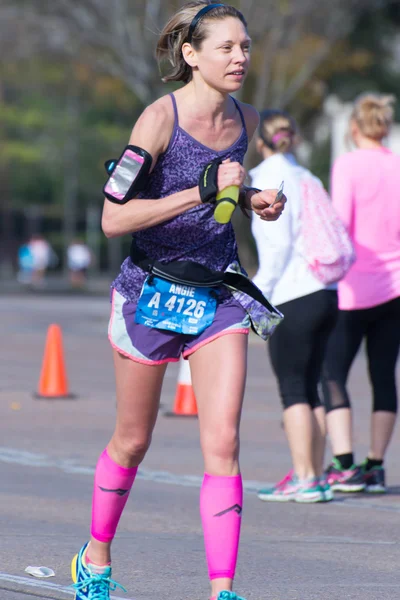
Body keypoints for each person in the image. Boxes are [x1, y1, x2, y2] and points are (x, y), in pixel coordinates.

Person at [70, 3, 286, 600]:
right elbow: (115, 219)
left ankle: (222, 590)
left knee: (224, 443)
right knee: (133, 441)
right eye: (227, 48)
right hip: (151, 290)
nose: (241, 57)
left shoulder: (248, 116)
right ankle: (96, 558)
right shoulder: (157, 121)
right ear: (192, 55)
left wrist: (254, 200)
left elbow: (230, 187)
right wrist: (200, 189)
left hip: (217, 292)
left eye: (246, 46)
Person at [250, 109, 339, 504]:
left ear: (260, 141)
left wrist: (255, 296)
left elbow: (277, 245)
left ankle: (304, 476)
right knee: (312, 389)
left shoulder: (264, 178)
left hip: (292, 293)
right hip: (326, 291)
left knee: (293, 390)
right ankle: (315, 476)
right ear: (293, 139)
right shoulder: (308, 176)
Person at [322, 93, 400, 494]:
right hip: (395, 288)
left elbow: (340, 226)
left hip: (352, 288)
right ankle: (376, 464)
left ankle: (344, 462)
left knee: (333, 372)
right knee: (384, 376)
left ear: (355, 128)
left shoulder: (348, 165)